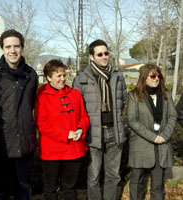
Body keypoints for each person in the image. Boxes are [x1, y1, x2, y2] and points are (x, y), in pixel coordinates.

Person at [0, 29, 38, 200]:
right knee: (1, 192)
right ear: (2, 49)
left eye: (16, 46)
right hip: (0, 143)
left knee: (23, 189)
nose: (12, 50)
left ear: (22, 48)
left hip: (24, 144)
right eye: (8, 46)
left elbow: (30, 104)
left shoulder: (31, 74)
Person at [72, 39, 127, 200]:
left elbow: (122, 99)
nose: (104, 57)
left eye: (106, 53)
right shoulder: (82, 77)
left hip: (114, 131)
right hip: (93, 133)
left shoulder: (117, 75)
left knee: (113, 176)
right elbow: (77, 106)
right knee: (93, 177)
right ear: (91, 56)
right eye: (100, 54)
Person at [35, 59, 90, 200]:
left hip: (73, 150)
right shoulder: (42, 96)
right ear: (48, 77)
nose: (63, 79)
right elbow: (42, 124)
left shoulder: (75, 94)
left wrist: (80, 130)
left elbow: (84, 117)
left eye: (64, 75)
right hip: (52, 151)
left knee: (70, 188)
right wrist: (66, 134)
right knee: (50, 188)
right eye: (58, 76)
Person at [127, 63, 177, 200]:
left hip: (162, 144)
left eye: (158, 75)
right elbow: (132, 120)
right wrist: (152, 137)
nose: (156, 78)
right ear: (144, 78)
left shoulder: (166, 94)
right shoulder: (134, 96)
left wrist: (164, 136)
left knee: (158, 185)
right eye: (153, 75)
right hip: (141, 143)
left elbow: (173, 116)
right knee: (136, 181)